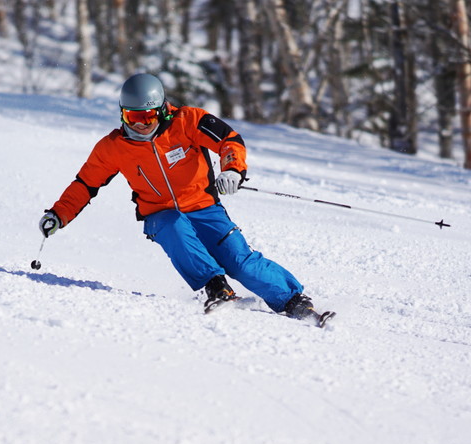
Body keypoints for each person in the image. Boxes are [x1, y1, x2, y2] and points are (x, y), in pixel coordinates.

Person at [39, 73, 325, 322]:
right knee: (174, 225)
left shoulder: (188, 120)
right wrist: (58, 214)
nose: (139, 125)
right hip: (159, 214)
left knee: (239, 261)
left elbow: (230, 140)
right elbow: (85, 184)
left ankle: (293, 301)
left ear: (162, 110)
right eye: (132, 117)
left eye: (146, 117)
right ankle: (216, 287)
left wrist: (233, 170)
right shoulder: (113, 147)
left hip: (205, 207)